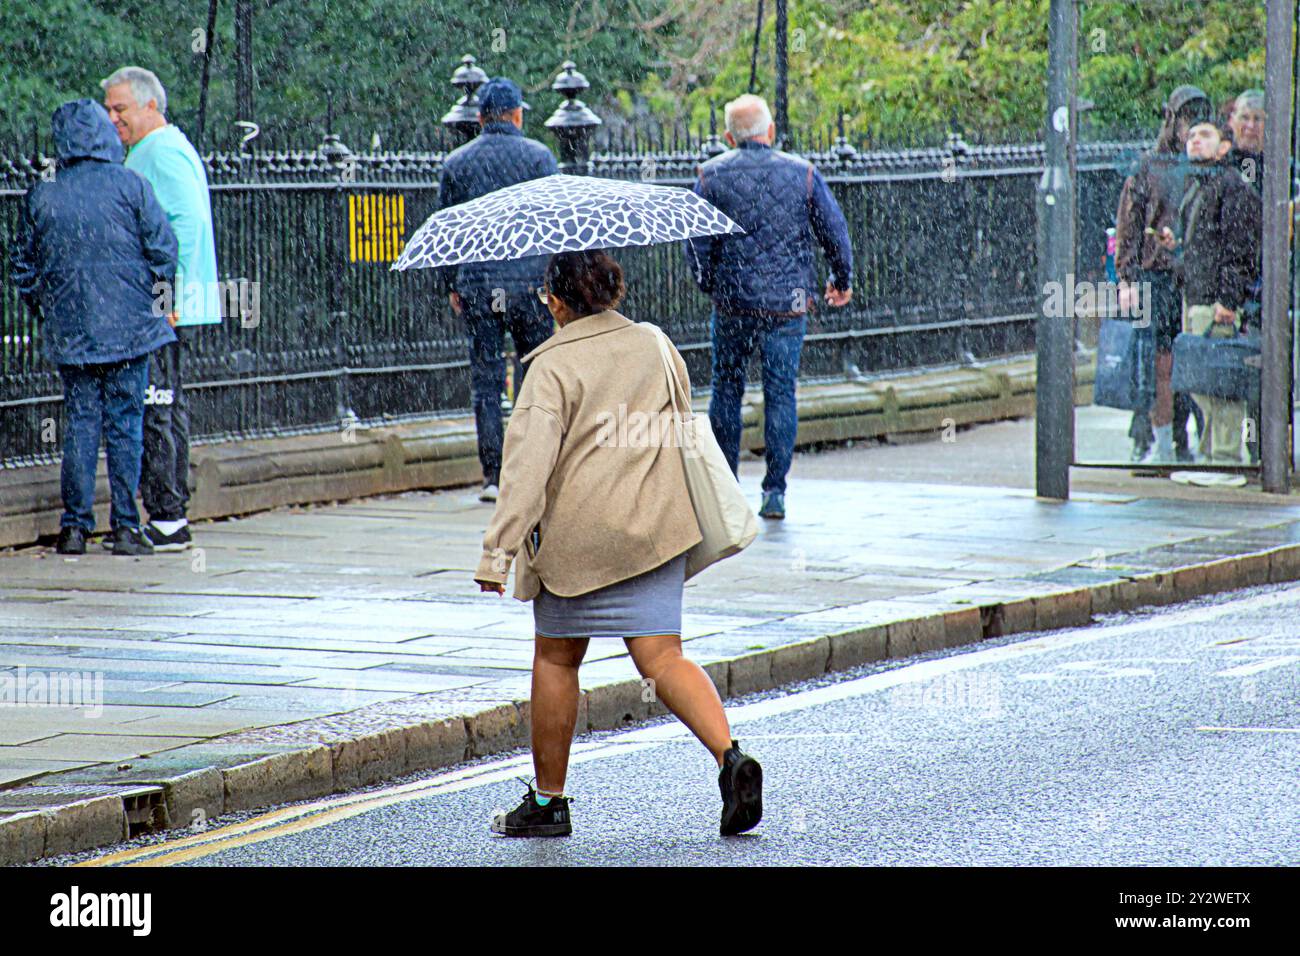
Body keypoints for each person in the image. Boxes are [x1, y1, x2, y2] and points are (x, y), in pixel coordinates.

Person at [473, 250, 763, 838]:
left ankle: (551, 803)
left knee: (557, 658)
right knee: (664, 659)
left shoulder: (548, 369)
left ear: (556, 301)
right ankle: (730, 758)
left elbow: (525, 471)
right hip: (655, 532)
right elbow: (682, 426)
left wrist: (497, 553)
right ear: (613, 291)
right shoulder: (655, 345)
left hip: (577, 543)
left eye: (546, 296)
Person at [10, 99, 178, 556]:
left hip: (74, 332)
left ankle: (74, 528)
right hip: (131, 330)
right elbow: (164, 251)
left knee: (81, 425)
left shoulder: (43, 193)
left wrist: (46, 309)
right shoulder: (131, 185)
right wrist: (162, 305)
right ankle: (125, 525)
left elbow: (22, 266)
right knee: (126, 425)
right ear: (104, 135)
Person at [684, 94, 853, 520]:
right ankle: (774, 491)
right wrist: (841, 279)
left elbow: (695, 242)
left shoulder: (710, 175)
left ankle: (726, 488)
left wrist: (710, 283)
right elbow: (835, 232)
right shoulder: (804, 174)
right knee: (781, 393)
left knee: (726, 389)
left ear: (728, 137)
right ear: (771, 131)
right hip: (786, 306)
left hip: (733, 304)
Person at [101, 66, 220, 552]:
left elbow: (184, 226)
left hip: (164, 308)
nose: (113, 118)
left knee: (157, 407)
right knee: (167, 406)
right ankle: (171, 512)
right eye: (109, 109)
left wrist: (167, 297)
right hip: (171, 305)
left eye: (120, 108)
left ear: (151, 105)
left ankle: (168, 516)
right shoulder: (162, 147)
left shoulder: (160, 152)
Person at [437, 76, 559, 503]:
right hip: (530, 285)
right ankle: (530, 466)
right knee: (536, 377)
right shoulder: (539, 157)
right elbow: (553, 225)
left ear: (480, 117)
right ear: (518, 114)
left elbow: (445, 229)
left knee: (486, 381)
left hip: (479, 285)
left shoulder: (457, 163)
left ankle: (493, 475)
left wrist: (450, 283)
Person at [1116, 85, 1212, 465]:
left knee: (1188, 363)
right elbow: (1129, 223)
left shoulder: (1205, 167)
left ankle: (1181, 438)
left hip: (1191, 277)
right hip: (1156, 278)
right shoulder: (1149, 166)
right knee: (1155, 364)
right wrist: (1126, 278)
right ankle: (1154, 440)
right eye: (1186, 119)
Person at [1155, 119, 1261, 464]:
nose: (1194, 141)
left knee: (1221, 384)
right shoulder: (1199, 185)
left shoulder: (1231, 186)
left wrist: (1228, 300)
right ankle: (1212, 451)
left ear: (1224, 147)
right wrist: (1178, 246)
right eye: (1191, 136)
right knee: (1204, 382)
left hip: (1215, 301)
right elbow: (1208, 246)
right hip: (1198, 295)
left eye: (1205, 136)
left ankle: (1227, 455)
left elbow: (1239, 248)